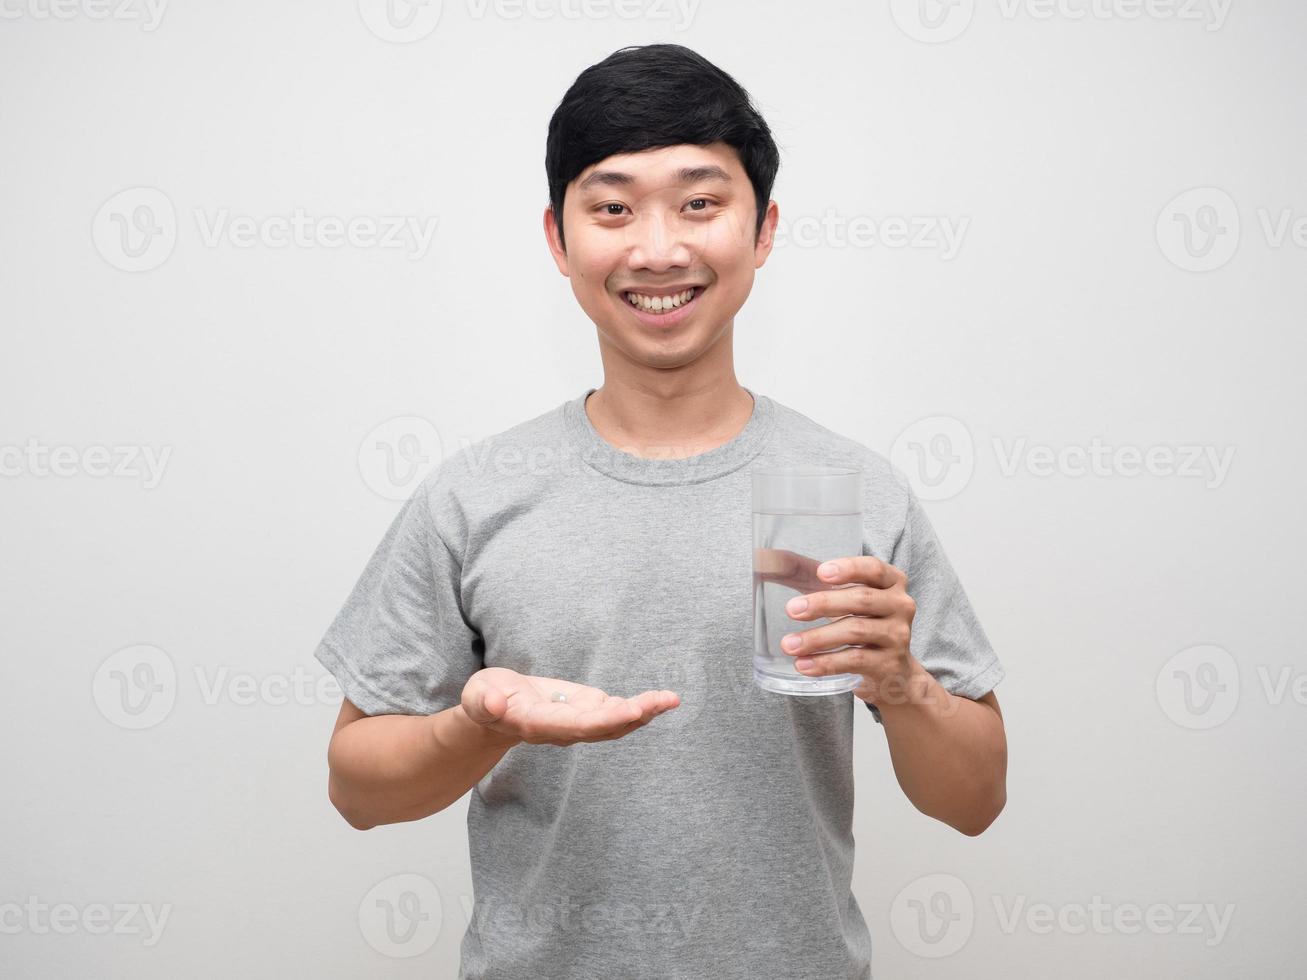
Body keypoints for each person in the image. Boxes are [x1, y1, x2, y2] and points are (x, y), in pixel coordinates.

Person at [315, 42, 1007, 980]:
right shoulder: (472, 496)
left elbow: (973, 801)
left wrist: (902, 682)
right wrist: (479, 724)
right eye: (611, 207)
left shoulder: (848, 489)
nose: (656, 249)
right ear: (559, 241)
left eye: (698, 202)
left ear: (761, 231)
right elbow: (356, 789)